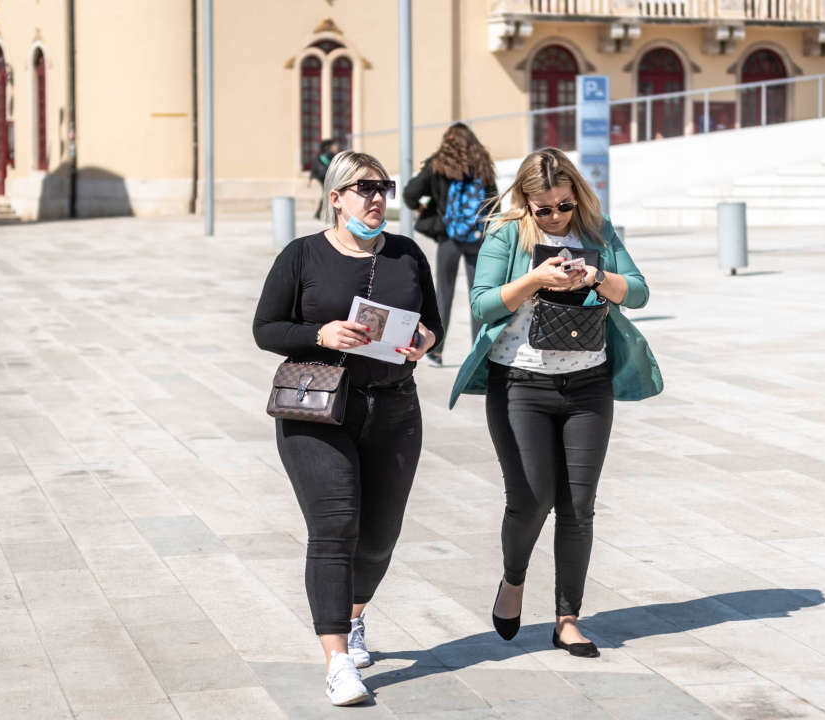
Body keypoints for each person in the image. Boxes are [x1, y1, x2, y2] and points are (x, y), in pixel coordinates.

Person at [449, 147, 661, 657]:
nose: (555, 217)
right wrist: (534, 280)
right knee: (531, 499)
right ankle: (514, 579)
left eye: (563, 206)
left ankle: (568, 618)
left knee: (579, 507)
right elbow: (481, 303)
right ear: (525, 201)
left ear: (576, 196)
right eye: (543, 209)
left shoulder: (597, 230)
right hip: (520, 383)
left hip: (588, 385)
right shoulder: (507, 233)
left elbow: (639, 293)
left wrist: (597, 278)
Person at [253, 150, 444, 707]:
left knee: (380, 537)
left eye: (383, 187)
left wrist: (427, 343)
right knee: (336, 528)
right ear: (336, 198)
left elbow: (433, 323)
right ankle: (337, 658)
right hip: (318, 411)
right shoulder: (302, 254)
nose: (377, 197)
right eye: (363, 188)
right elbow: (266, 328)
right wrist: (321, 335)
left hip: (394, 408)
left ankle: (355, 616)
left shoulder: (408, 254)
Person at [403, 123, 498, 367]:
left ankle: (435, 351)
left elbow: (410, 193)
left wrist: (423, 208)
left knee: (442, 295)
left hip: (449, 239)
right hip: (477, 241)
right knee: (480, 297)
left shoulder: (438, 164)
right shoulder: (483, 165)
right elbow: (495, 205)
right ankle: (480, 355)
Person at [310, 139, 340, 221]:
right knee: (328, 194)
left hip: (322, 176)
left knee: (327, 194)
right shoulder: (328, 154)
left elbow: (314, 169)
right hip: (324, 177)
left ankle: (320, 213)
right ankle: (320, 213)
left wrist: (311, 177)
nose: (335, 147)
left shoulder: (321, 155)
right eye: (334, 146)